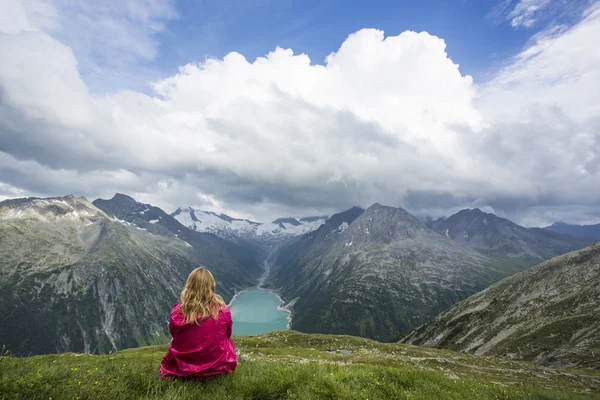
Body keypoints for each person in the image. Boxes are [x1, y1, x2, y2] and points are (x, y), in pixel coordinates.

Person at [159, 267, 237, 379]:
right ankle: (212, 368)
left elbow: (174, 334)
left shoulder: (177, 312)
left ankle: (188, 369)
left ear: (189, 286)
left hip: (183, 367)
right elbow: (228, 334)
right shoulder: (223, 311)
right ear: (211, 286)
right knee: (226, 340)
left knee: (174, 341)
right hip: (217, 368)